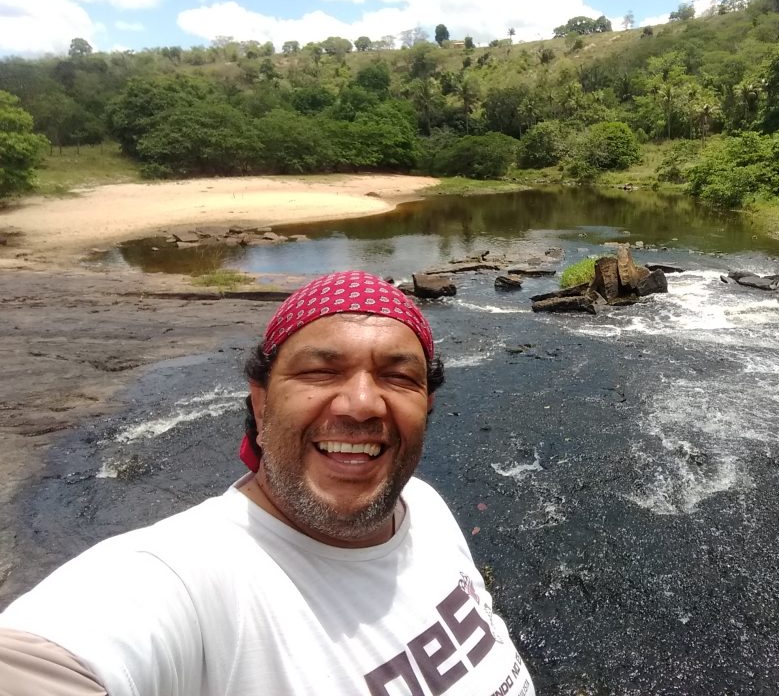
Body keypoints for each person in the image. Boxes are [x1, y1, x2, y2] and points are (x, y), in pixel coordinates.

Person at [0, 270, 534, 696]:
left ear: (428, 406)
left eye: (398, 377)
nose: (363, 404)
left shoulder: (422, 503)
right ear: (260, 402)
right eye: (321, 371)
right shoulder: (187, 579)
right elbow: (44, 661)